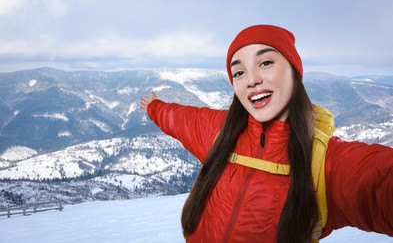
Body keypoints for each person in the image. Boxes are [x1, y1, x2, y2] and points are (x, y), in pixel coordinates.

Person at [140, 25, 393, 243]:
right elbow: (180, 118)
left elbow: (378, 180)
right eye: (239, 72)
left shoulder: (325, 164)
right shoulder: (219, 132)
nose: (251, 80)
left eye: (265, 62)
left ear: (294, 71)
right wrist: (154, 107)